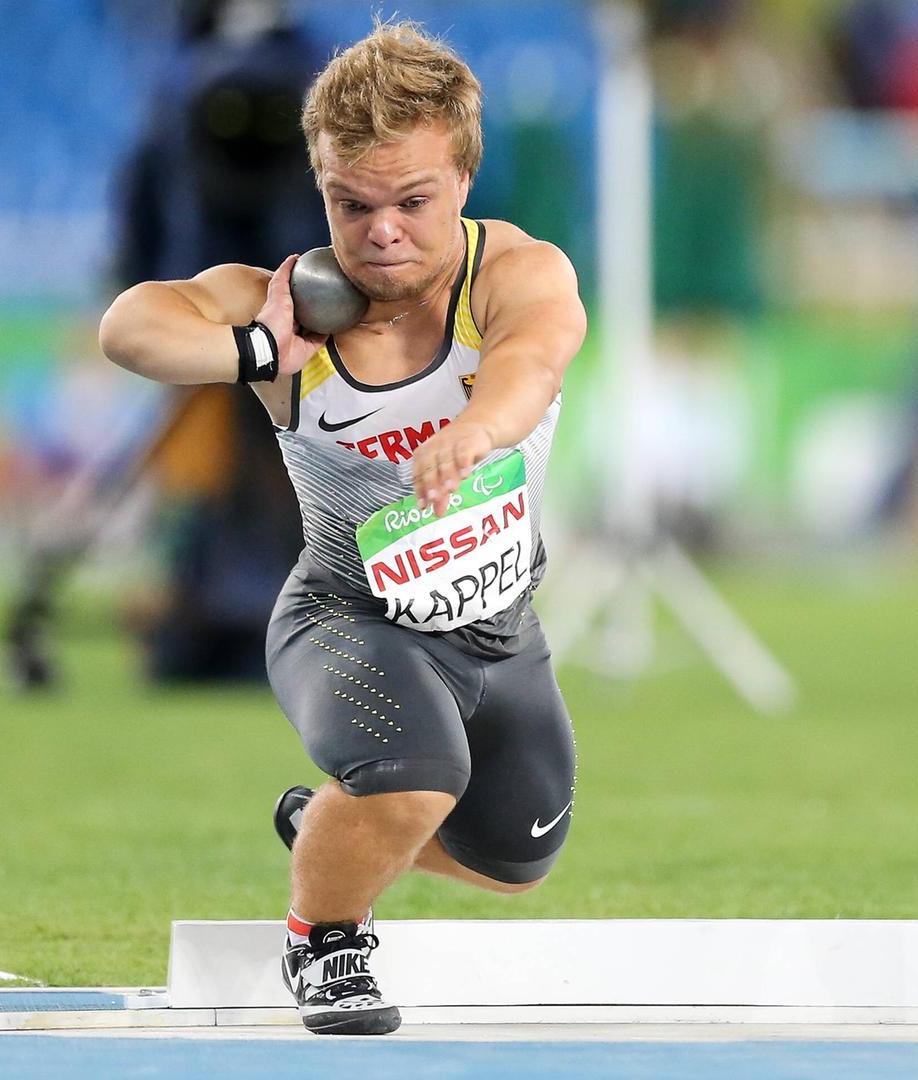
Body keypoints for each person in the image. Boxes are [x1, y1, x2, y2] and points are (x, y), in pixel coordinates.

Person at [98, 22, 586, 1036]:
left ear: (463, 178)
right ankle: (325, 940)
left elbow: (533, 359)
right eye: (351, 204)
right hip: (346, 616)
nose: (382, 233)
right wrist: (252, 350)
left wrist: (475, 433)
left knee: (519, 857)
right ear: (321, 185)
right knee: (416, 775)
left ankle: (330, 825)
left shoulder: (516, 273)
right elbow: (129, 326)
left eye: (412, 201)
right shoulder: (289, 308)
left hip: (498, 626)